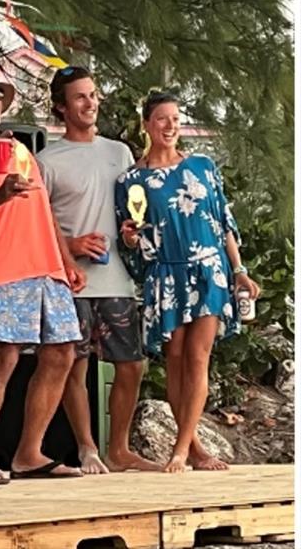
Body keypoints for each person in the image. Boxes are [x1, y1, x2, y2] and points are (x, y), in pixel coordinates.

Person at [0, 67, 86, 483]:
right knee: (6, 352)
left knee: (62, 352)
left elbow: (44, 209)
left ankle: (29, 451)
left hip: (45, 263)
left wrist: (66, 261)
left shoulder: (18, 149)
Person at [114, 90, 260, 473]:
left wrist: (240, 270)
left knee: (198, 358)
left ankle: (180, 450)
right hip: (166, 273)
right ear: (147, 124)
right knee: (175, 360)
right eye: (162, 118)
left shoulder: (203, 166)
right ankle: (193, 448)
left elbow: (224, 222)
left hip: (208, 268)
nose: (170, 125)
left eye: (176, 118)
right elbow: (130, 238)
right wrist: (130, 239)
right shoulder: (132, 179)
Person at [37, 66, 160, 474]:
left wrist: (129, 233)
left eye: (93, 95)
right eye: (80, 97)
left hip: (116, 278)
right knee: (76, 365)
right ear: (61, 106)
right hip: (71, 280)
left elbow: (131, 210)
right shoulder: (45, 160)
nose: (90, 103)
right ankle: (88, 447)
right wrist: (71, 246)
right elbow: (36, 225)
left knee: (132, 364)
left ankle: (119, 449)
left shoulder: (119, 153)